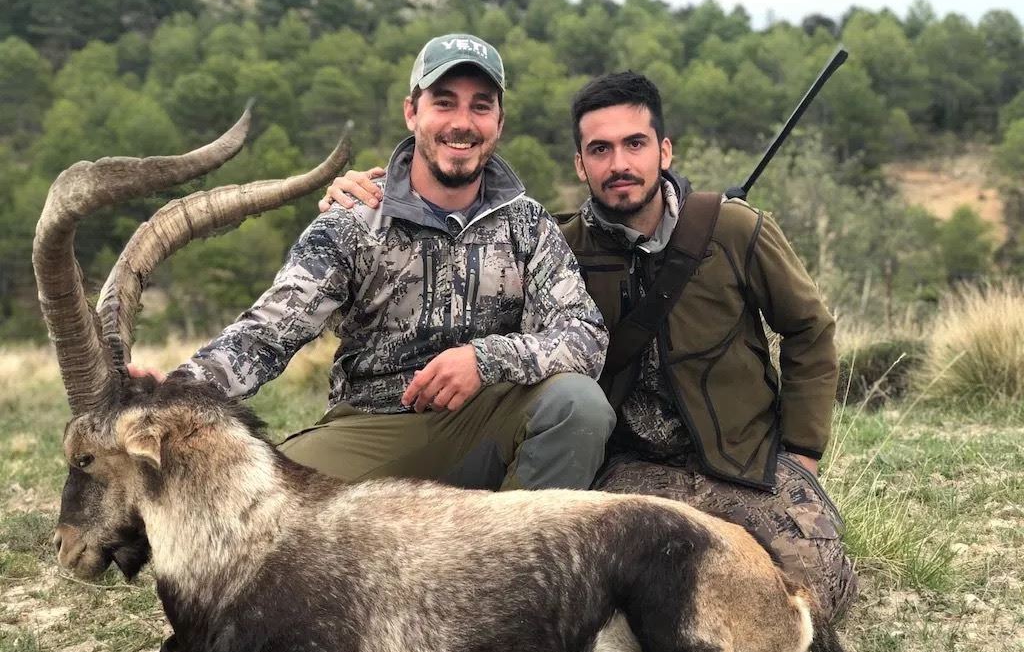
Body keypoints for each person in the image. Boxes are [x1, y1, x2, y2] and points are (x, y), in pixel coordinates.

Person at [321, 71, 857, 620]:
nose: (619, 163)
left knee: (813, 600)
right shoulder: (556, 248)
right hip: (626, 473)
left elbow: (810, 330)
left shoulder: (736, 230)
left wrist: (801, 454)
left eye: (635, 144)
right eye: (600, 149)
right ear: (581, 165)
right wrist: (369, 196)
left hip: (744, 465)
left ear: (664, 151)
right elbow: (467, 255)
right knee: (624, 606)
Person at [151, 34, 615, 491]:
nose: (462, 123)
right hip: (374, 428)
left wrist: (484, 359)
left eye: (481, 106)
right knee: (260, 497)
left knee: (579, 405)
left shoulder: (527, 224)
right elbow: (266, 333)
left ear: (499, 121)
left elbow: (586, 336)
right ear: (411, 111)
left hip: (489, 423)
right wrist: (173, 392)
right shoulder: (353, 223)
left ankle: (517, 542)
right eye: (444, 103)